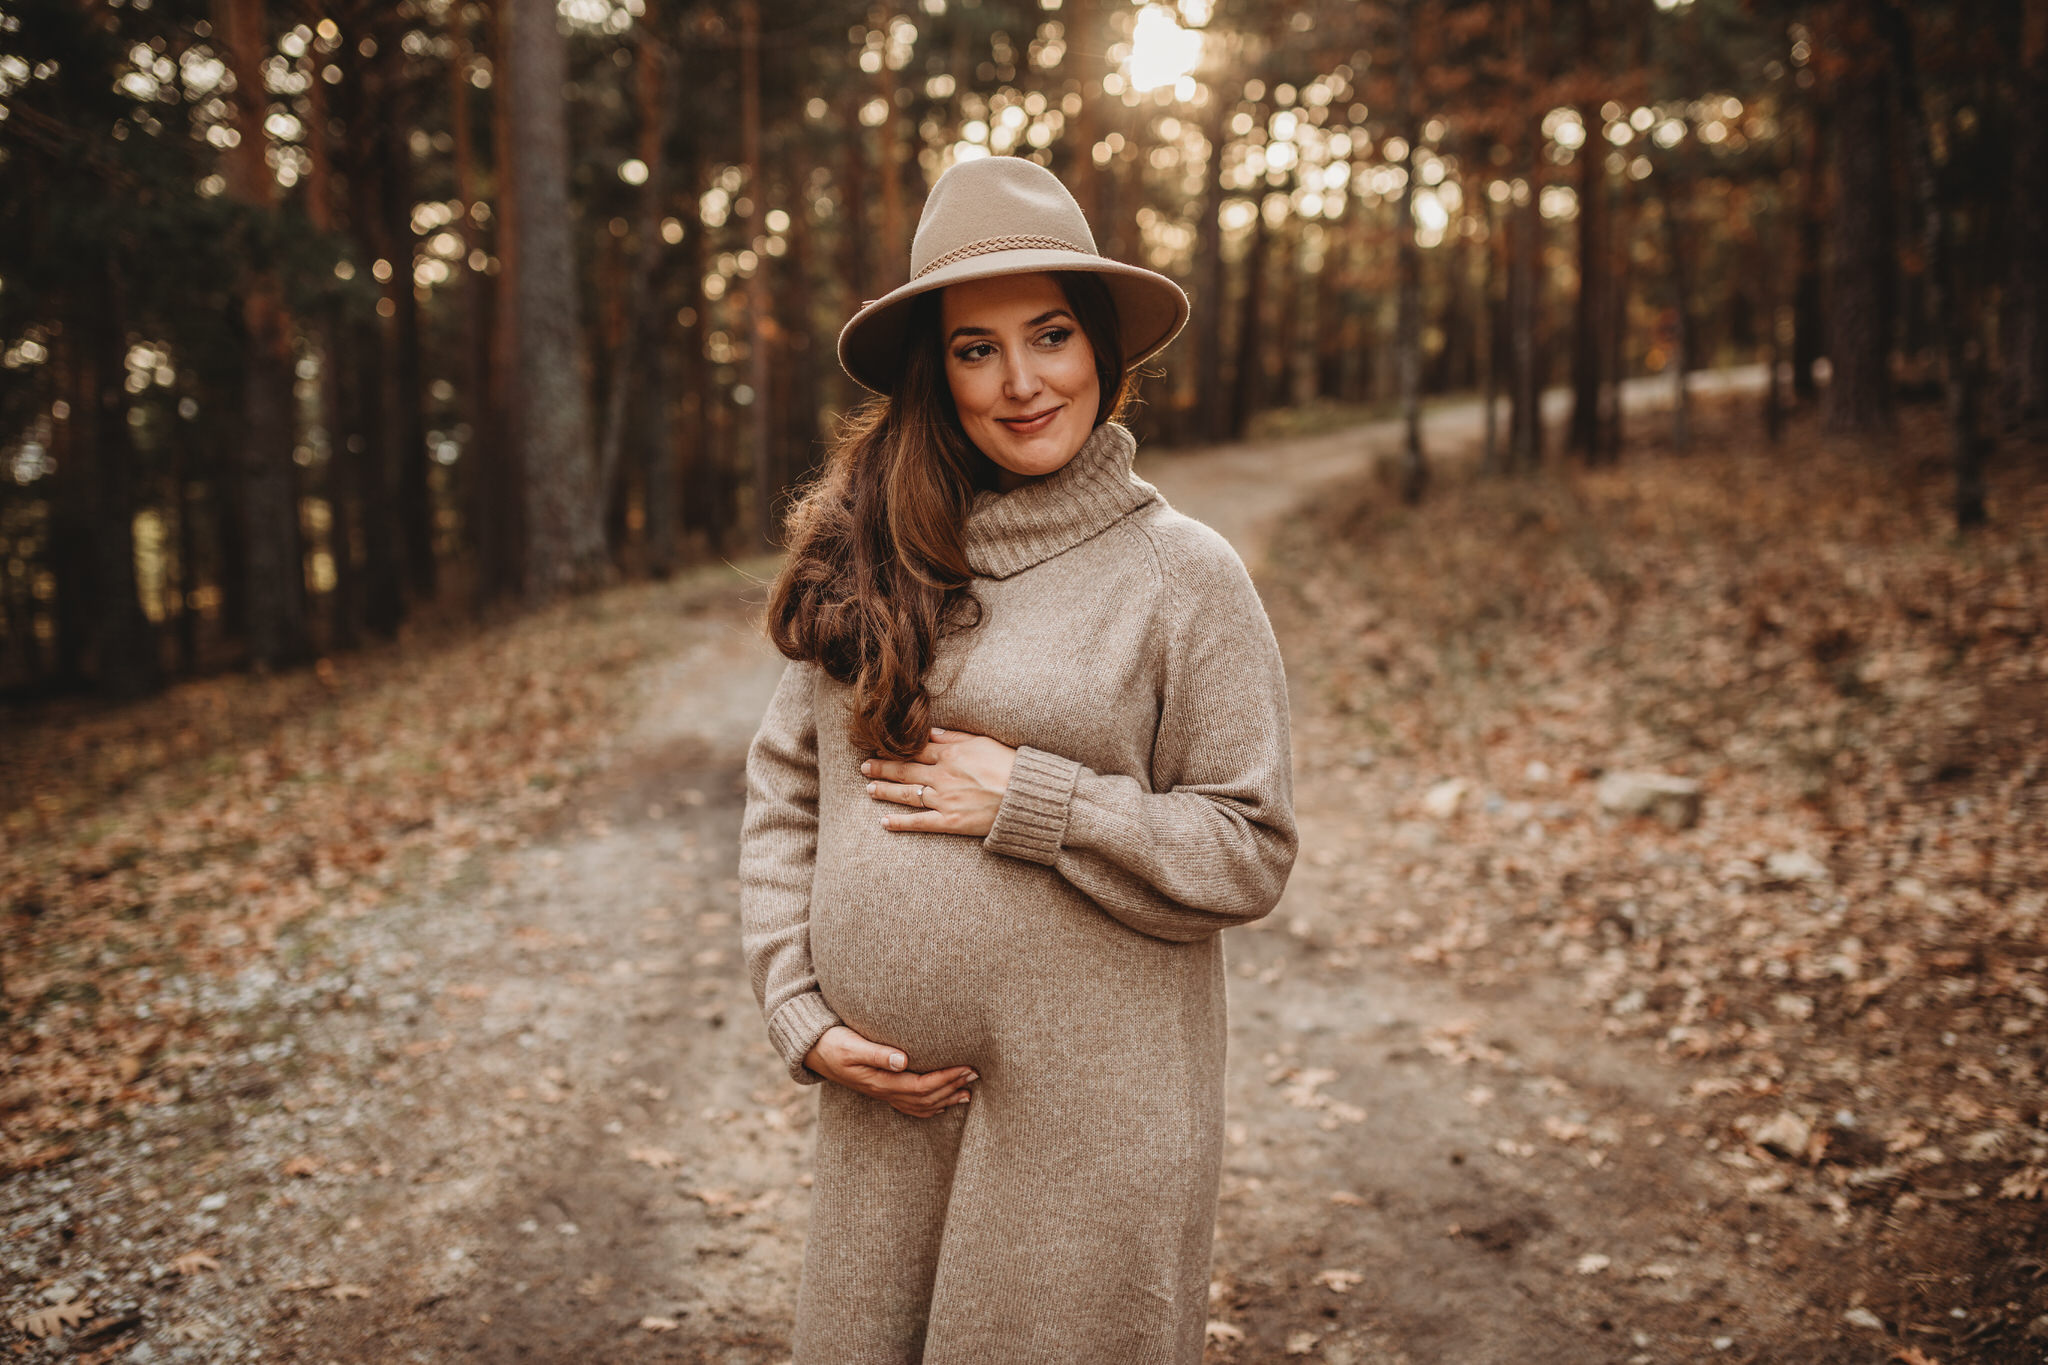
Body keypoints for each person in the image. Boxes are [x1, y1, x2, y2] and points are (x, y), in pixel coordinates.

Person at [739, 153, 1297, 1364]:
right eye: (975, 348)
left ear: (1101, 345)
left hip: (1091, 1131)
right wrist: (798, 1008)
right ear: (934, 375)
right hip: (886, 1116)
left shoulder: (1180, 577)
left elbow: (1246, 850)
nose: (1022, 380)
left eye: (1048, 334)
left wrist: (1032, 799)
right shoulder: (869, 555)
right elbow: (787, 790)